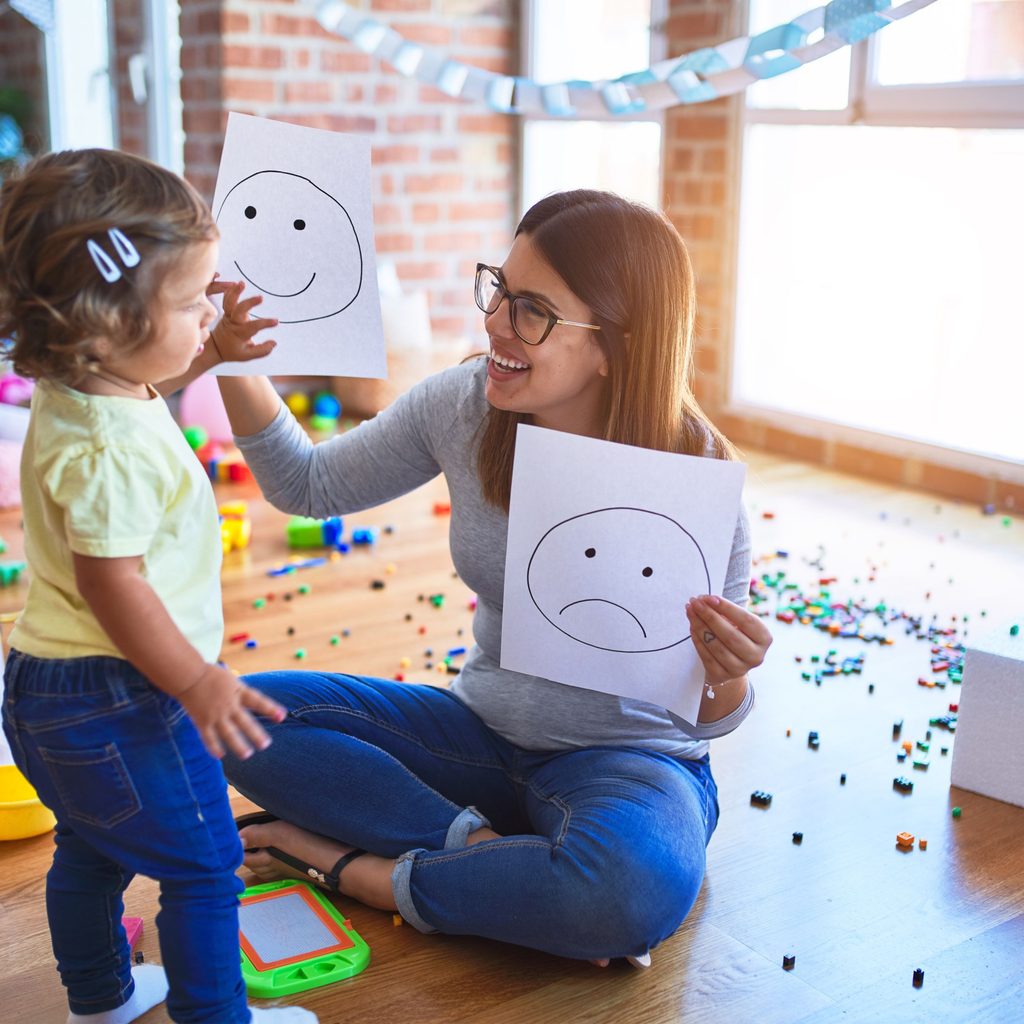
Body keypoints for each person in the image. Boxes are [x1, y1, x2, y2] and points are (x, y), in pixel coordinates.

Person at [218, 189, 772, 967]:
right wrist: (234, 360)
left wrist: (731, 676)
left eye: (532, 311)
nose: (495, 324)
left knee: (626, 891)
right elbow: (308, 486)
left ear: (617, 342)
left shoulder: (696, 475)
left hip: (628, 764)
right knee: (233, 714)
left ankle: (368, 871)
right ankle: (475, 848)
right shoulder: (467, 403)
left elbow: (709, 719)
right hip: (477, 735)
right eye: (499, 290)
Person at [0, 149, 317, 1024]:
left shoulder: (81, 382)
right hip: (116, 693)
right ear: (103, 323)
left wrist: (208, 351)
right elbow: (115, 585)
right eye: (191, 302)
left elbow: (141, 387)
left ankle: (99, 999)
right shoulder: (106, 452)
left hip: (45, 685)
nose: (208, 309)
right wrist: (198, 680)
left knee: (91, 847)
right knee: (205, 865)